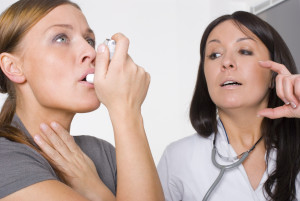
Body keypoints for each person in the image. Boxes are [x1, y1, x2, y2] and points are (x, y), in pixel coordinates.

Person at [0, 0, 164, 201]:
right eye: (61, 38)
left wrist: (94, 187)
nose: (91, 53)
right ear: (12, 67)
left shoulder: (102, 153)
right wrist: (126, 109)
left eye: (89, 40)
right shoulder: (5, 158)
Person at [157, 11, 300, 201]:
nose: (226, 62)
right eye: (215, 55)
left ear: (274, 74)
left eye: (244, 51)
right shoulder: (178, 158)